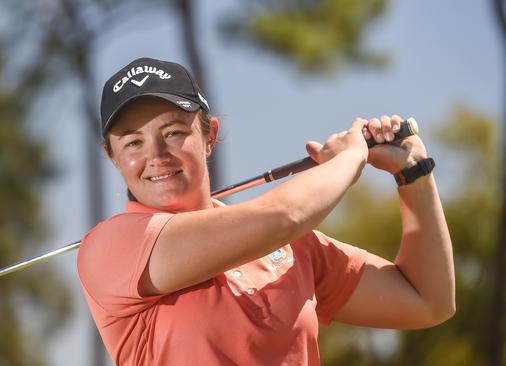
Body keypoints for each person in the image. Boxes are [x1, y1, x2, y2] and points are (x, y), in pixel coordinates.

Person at [77, 57, 455, 366]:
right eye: (133, 142)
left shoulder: (294, 248)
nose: (156, 156)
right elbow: (284, 216)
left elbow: (427, 300)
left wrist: (414, 173)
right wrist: (350, 157)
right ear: (111, 156)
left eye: (174, 132)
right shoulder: (110, 248)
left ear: (209, 135)